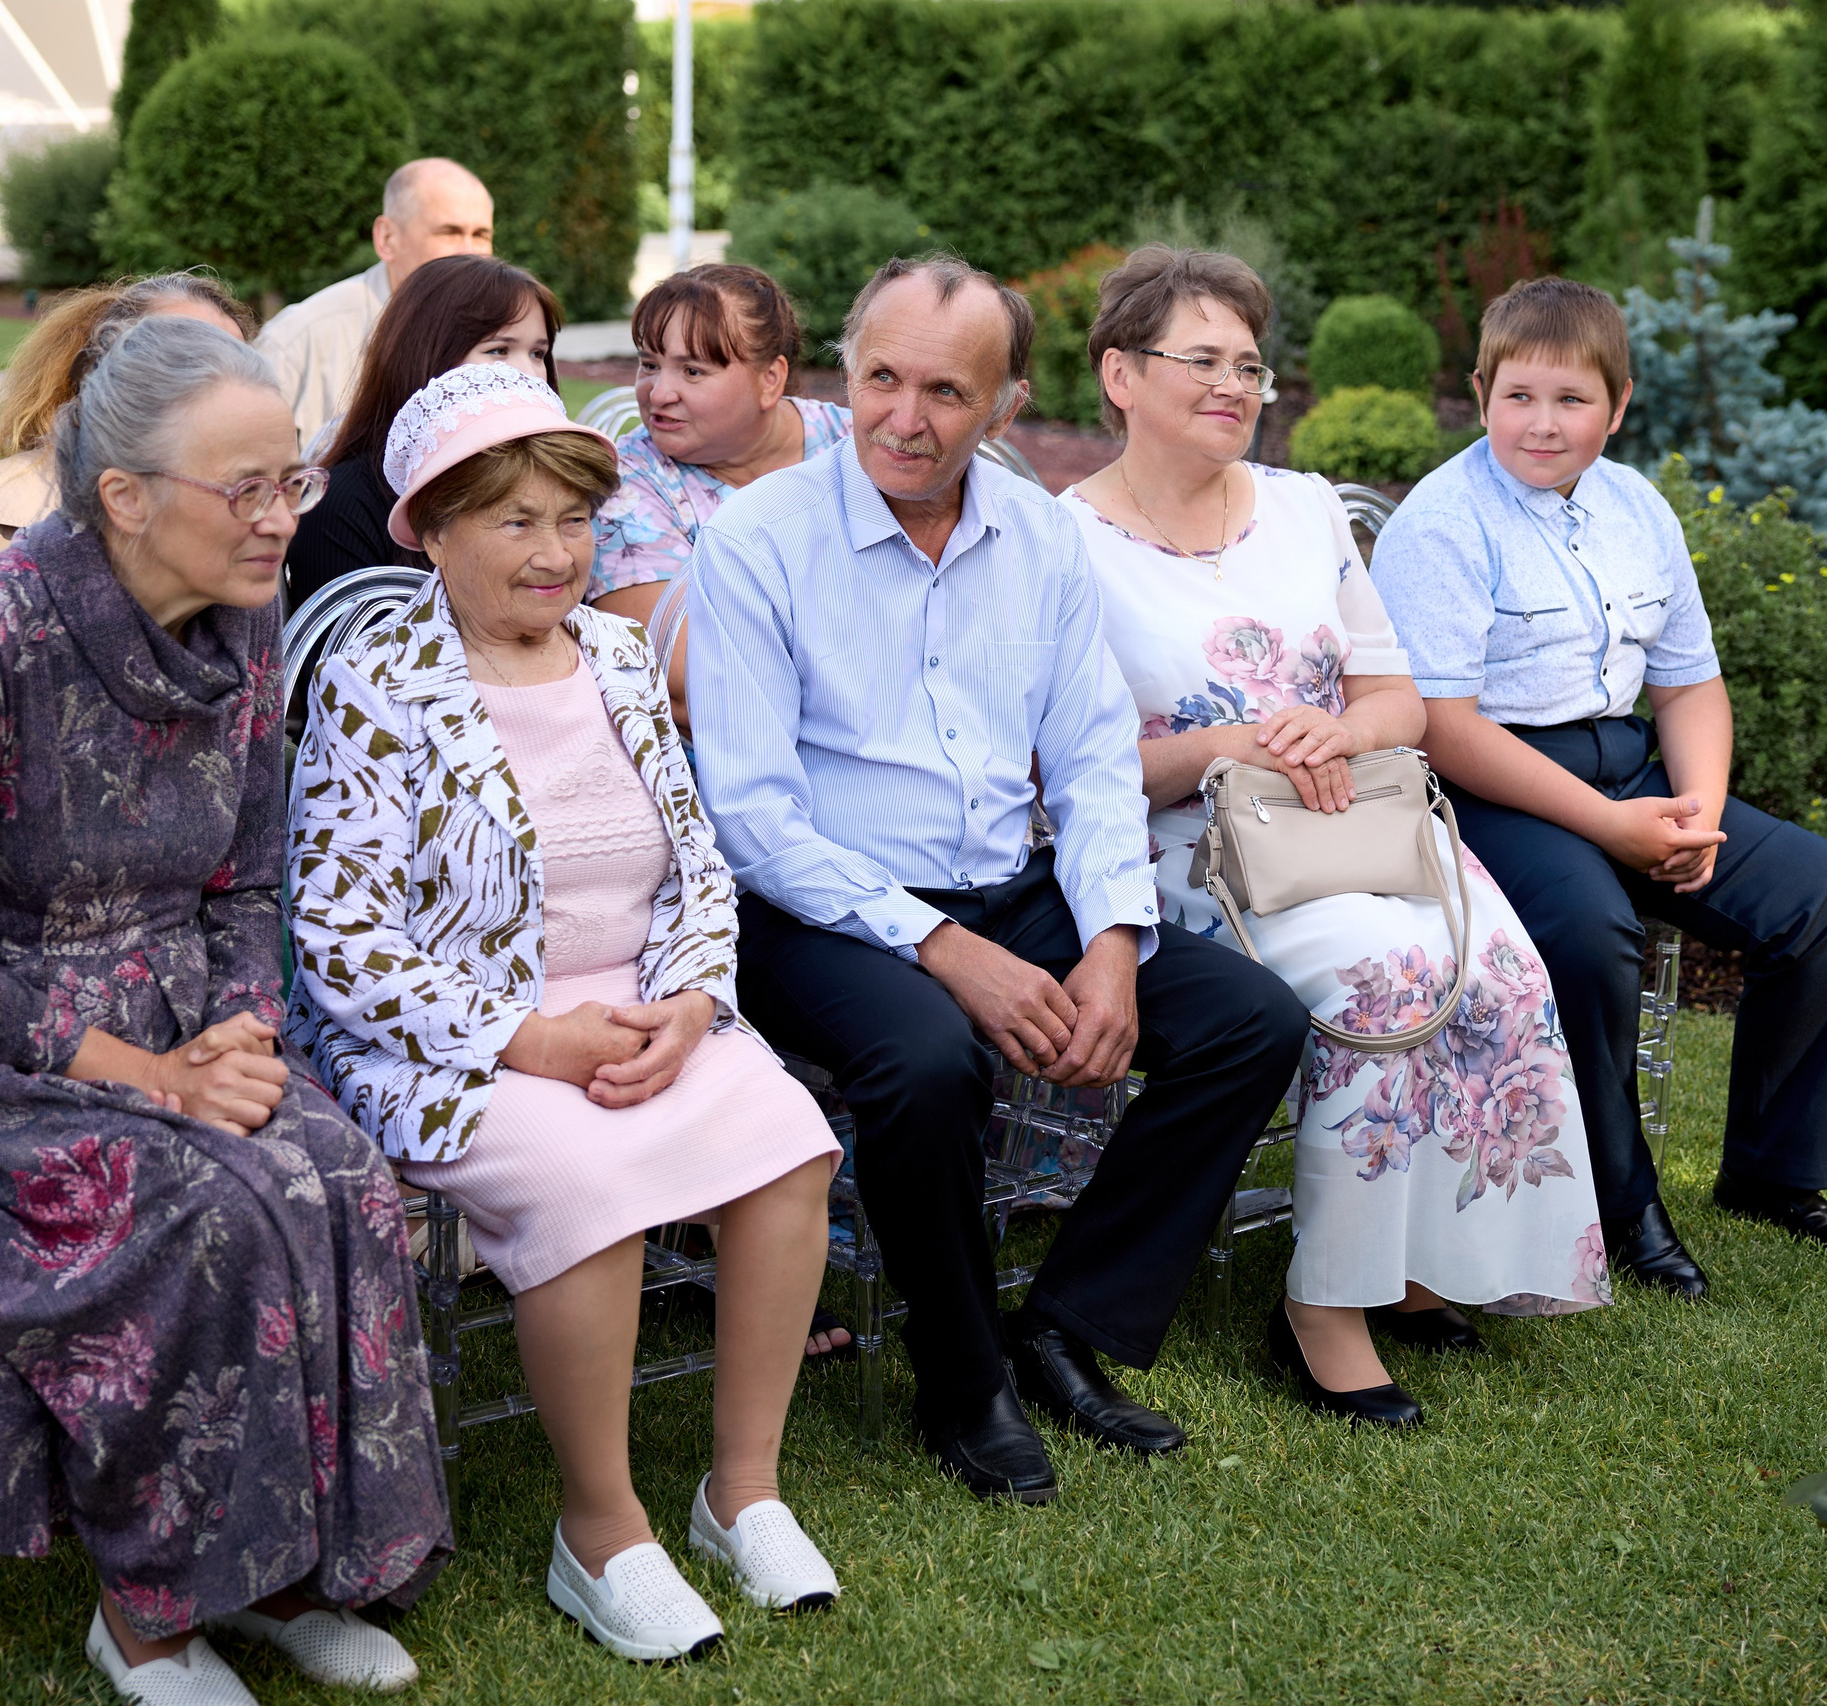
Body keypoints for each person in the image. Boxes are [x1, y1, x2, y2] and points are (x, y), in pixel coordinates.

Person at [0, 316, 445, 1706]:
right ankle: (148, 1613)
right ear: (123, 496)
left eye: (290, 481)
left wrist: (236, 1033)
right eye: (246, 489)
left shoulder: (246, 623)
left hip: (183, 1011)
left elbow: (247, 879)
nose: (282, 516)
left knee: (345, 1174)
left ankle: (291, 1570)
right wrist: (155, 1078)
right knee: (202, 1206)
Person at [685, 255, 1312, 1503]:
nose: (905, 419)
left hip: (1005, 877)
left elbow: (1088, 760)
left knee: (1252, 1021)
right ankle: (963, 1375)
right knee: (928, 1060)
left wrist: (1114, 941)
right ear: (843, 375)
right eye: (880, 379)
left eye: (945, 392)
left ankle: (1064, 1323)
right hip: (815, 904)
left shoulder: (1039, 535)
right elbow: (752, 818)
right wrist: (942, 950)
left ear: (1009, 404)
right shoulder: (757, 540)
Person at [286, 364, 844, 1660]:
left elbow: (699, 857)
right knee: (587, 1184)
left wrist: (696, 1000)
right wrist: (529, 1038)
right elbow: (337, 934)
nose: (556, 553)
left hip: (642, 1011)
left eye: (573, 521)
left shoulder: (611, 649)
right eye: (515, 521)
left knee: (790, 1140)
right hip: (454, 1039)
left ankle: (739, 1489)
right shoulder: (380, 678)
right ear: (429, 528)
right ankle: (600, 1529)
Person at [1060, 246, 1608, 1426]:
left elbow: (1399, 702)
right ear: (1118, 373)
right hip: (1195, 855)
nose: (1232, 385)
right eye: (1198, 360)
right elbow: (1072, 769)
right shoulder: (1064, 544)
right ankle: (1325, 1305)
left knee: (1503, 971)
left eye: (1248, 364)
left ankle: (1422, 1269)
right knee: (1383, 974)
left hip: (1358, 821)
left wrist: (1332, 725)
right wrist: (1234, 748)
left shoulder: (1304, 507)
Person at [1368, 277, 1827, 1300]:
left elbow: (1689, 679)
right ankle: (1621, 1200)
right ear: (1479, 393)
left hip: (1633, 767)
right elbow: (1446, 726)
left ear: (1618, 403)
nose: (1542, 423)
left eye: (1570, 399)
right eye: (1518, 396)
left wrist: (1696, 811)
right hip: (1492, 786)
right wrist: (1610, 827)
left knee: (1824, 897)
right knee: (1592, 935)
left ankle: (1772, 1175)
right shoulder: (1442, 522)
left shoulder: (1635, 505)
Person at [0, 271, 253, 597]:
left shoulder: (256, 513)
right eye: (188, 363)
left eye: (239, 368)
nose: (221, 390)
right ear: (100, 371)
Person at [284, 253, 562, 607]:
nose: (527, 374)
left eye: (538, 354)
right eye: (499, 350)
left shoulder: (550, 484)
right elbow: (341, 653)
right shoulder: (345, 503)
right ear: (427, 356)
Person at [589, 263, 851, 635]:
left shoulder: (854, 444)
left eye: (692, 371)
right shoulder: (625, 489)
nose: (659, 393)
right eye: (649, 364)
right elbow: (682, 667)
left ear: (770, 380)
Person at [256, 158, 495, 446]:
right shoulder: (299, 340)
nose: (469, 252)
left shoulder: (510, 337)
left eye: (481, 235)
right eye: (449, 232)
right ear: (387, 238)